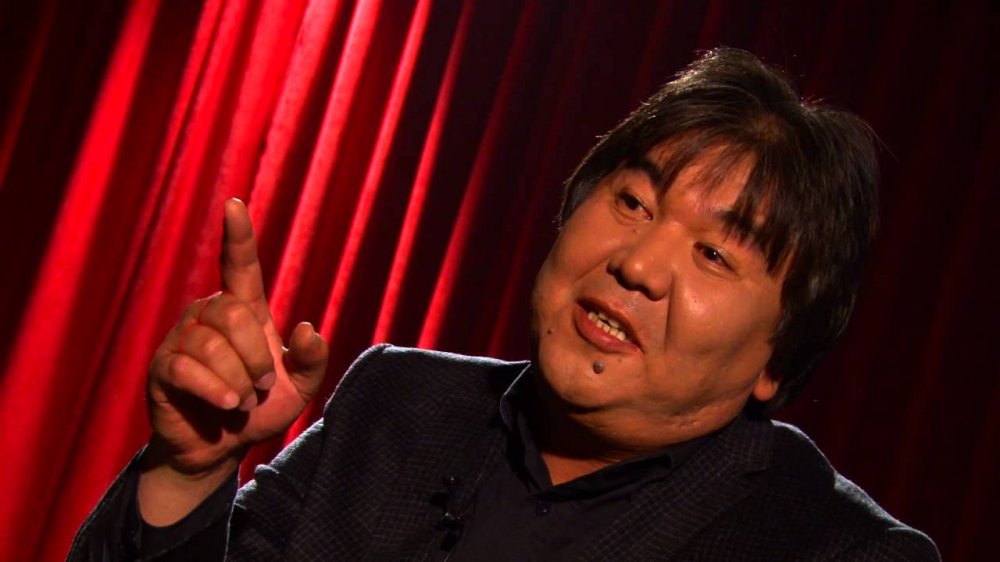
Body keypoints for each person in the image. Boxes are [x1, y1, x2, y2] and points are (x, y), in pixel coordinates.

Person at [69, 47, 939, 560]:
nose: (638, 263)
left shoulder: (837, 551)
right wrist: (190, 471)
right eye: (632, 202)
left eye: (714, 254)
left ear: (778, 357)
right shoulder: (395, 404)